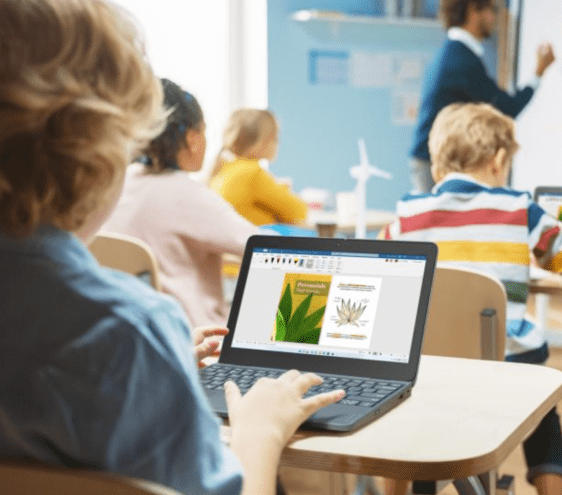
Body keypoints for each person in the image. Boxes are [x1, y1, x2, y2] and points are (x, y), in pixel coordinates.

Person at [0, 2, 344, 495]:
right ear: (98, 155)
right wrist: (261, 431)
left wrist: (160, 368)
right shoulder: (124, 334)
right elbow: (266, 249)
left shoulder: (127, 340)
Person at [381, 103, 562, 495]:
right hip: (507, 367)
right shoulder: (520, 209)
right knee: (543, 411)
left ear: (437, 170)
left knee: (414, 417)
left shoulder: (405, 216)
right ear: (498, 160)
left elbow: (385, 281)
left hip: (432, 370)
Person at [102, 79, 260, 328]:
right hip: (196, 340)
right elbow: (270, 249)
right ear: (193, 138)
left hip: (128, 336)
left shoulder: (113, 187)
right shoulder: (188, 194)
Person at [408, 0, 555, 193]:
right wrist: (538, 72)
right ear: (473, 11)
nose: (495, 18)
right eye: (492, 10)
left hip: (434, 161)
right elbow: (506, 109)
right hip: (436, 163)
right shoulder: (462, 60)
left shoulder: (453, 52)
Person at [210, 109, 308, 226]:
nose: (278, 143)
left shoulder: (224, 169)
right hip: (251, 242)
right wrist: (284, 189)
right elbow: (299, 211)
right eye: (275, 138)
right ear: (263, 142)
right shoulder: (253, 174)